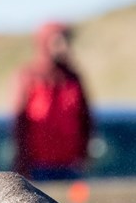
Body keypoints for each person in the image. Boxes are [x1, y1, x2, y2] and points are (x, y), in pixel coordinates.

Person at [12, 21, 92, 181]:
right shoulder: (29, 77)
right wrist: (23, 161)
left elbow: (86, 120)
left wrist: (84, 154)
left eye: (66, 41)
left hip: (71, 165)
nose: (63, 46)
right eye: (57, 41)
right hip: (38, 166)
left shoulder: (73, 79)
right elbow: (20, 123)